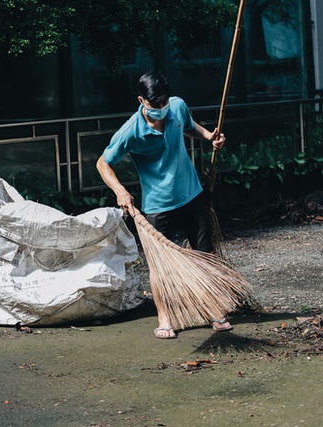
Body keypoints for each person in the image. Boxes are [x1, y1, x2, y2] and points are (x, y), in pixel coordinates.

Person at [96, 71, 229, 339]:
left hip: (192, 194)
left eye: (163, 102)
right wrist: (121, 191)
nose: (160, 108)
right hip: (158, 205)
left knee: (205, 255)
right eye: (154, 104)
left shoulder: (177, 106)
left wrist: (209, 137)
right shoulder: (131, 131)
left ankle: (212, 309)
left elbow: (189, 126)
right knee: (160, 265)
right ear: (141, 100)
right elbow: (102, 163)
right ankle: (165, 317)